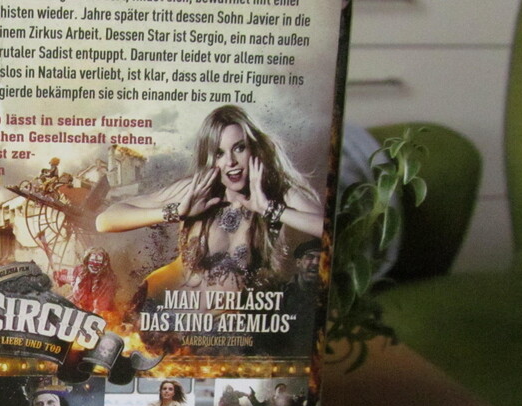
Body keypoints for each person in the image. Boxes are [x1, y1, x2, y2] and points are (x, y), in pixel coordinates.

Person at [96, 104, 324, 301]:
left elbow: (328, 228)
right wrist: (177, 211)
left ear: (255, 148)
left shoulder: (278, 194)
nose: (231, 162)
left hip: (225, 330)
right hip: (165, 312)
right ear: (209, 158)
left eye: (239, 148)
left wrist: (269, 209)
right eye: (219, 153)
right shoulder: (197, 191)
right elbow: (105, 221)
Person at [53, 247, 118, 315]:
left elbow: (99, 307)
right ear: (87, 261)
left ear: (104, 263)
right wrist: (59, 276)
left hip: (94, 312)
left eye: (99, 262)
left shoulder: (107, 280)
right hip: (75, 304)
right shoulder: (80, 270)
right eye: (92, 261)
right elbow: (70, 278)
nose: (95, 265)